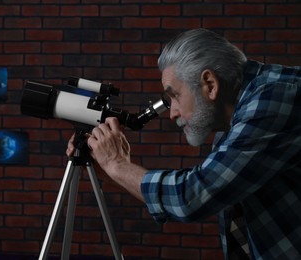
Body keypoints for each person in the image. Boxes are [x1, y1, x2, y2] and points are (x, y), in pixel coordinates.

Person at [66, 28, 301, 259]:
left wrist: (117, 164)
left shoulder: (276, 100)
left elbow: (191, 197)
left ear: (210, 84)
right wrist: (110, 168)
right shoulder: (234, 118)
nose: (172, 113)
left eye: (174, 96)